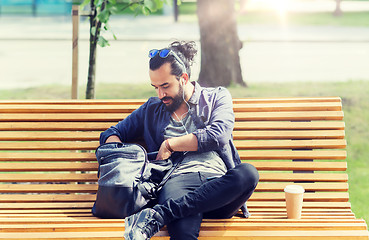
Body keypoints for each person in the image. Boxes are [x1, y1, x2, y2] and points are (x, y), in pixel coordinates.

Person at [99, 40, 259, 240]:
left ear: (184, 78)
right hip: (176, 182)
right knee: (183, 234)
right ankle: (167, 212)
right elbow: (111, 134)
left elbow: (218, 135)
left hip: (219, 186)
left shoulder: (216, 97)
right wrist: (125, 158)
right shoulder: (152, 108)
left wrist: (170, 144)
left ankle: (160, 215)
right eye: (155, 87)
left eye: (165, 86)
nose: (160, 94)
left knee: (248, 173)